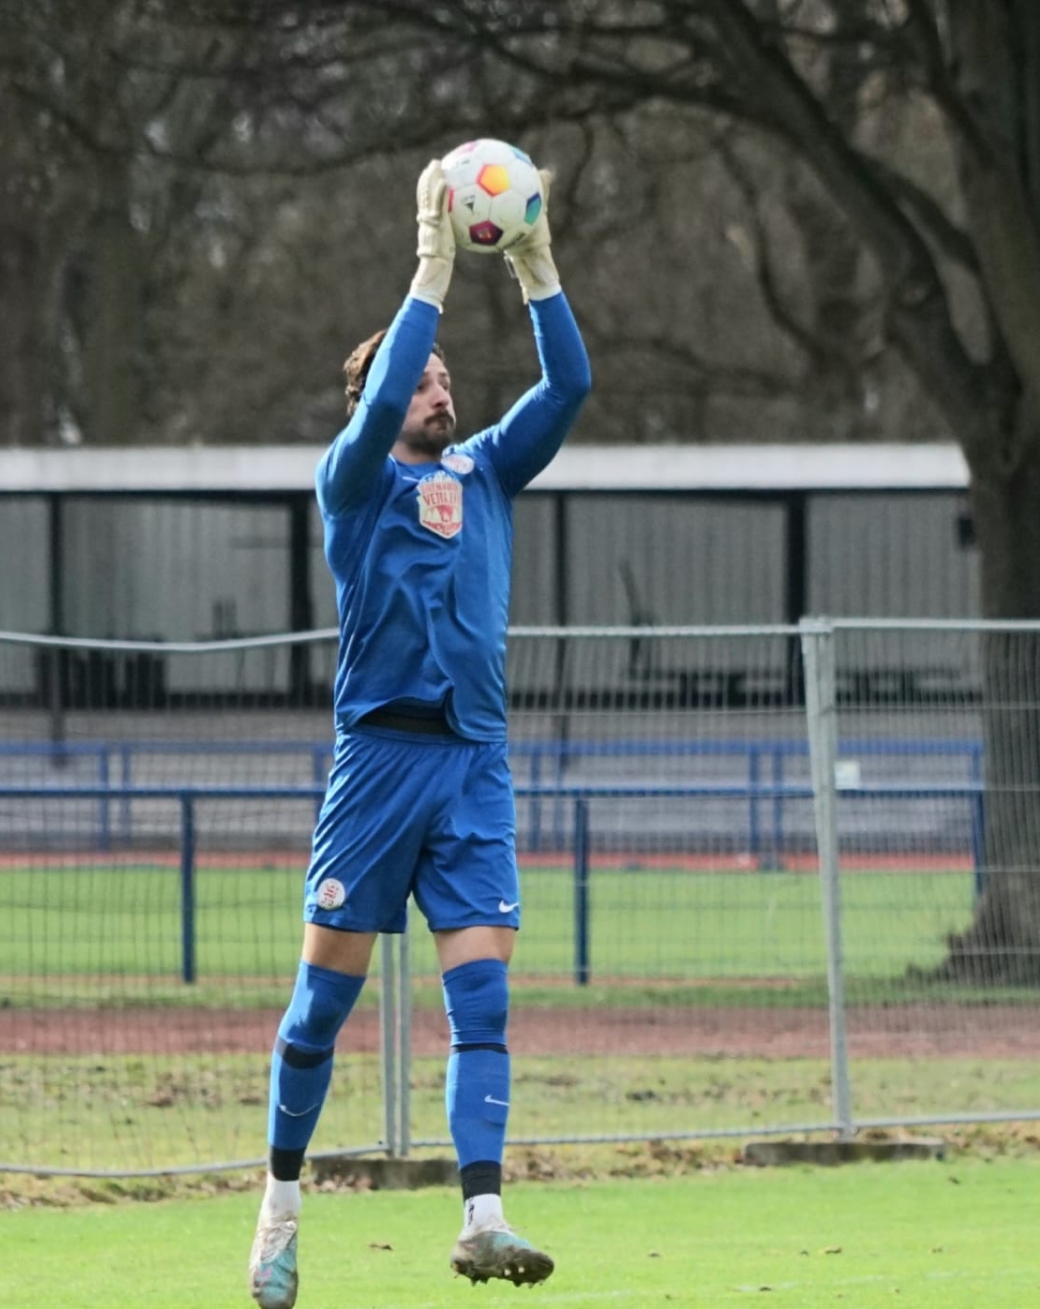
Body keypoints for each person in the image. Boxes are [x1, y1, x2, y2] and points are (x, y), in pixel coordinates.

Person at [247, 157, 591, 1309]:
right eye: (423, 378)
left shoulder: (484, 471)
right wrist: (432, 270)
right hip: (380, 765)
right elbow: (389, 382)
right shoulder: (351, 482)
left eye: (448, 375)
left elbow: (571, 386)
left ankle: (483, 1215)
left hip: (475, 767)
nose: (441, 387)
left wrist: (538, 271)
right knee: (320, 1013)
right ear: (379, 405)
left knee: (483, 999)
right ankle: (282, 1205)